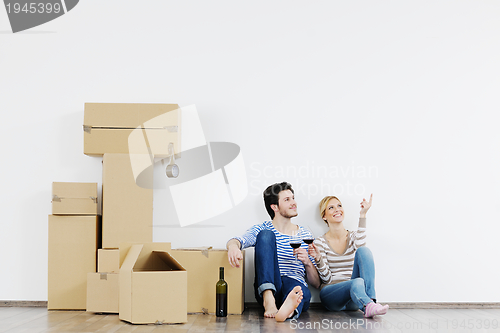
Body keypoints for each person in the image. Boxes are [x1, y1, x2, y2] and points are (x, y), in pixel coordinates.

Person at [227, 182, 320, 321]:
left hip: (295, 285)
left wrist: (307, 262)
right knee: (265, 235)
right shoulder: (262, 228)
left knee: (299, 289)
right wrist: (233, 247)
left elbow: (316, 283)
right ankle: (268, 299)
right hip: (271, 288)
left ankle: (288, 311)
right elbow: (237, 240)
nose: (294, 203)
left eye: (293, 198)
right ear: (274, 207)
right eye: (287, 200)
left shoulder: (305, 234)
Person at [308, 194, 389, 318]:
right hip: (332, 296)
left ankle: (370, 303)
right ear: (324, 216)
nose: (337, 209)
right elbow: (327, 280)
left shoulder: (353, 237)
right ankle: (368, 304)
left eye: (339, 206)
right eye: (331, 208)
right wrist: (318, 260)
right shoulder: (320, 242)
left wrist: (363, 215)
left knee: (364, 251)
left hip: (355, 297)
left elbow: (361, 247)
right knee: (355, 282)